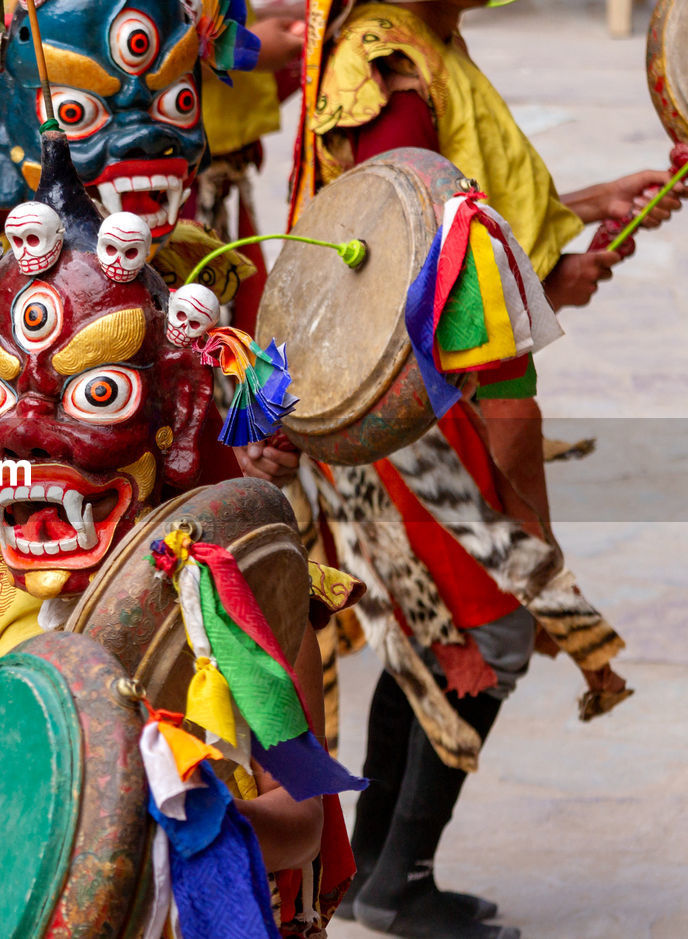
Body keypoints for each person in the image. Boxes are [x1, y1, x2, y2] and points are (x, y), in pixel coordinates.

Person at [266, 1, 685, 936]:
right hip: (412, 414)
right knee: (488, 636)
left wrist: (575, 214)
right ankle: (397, 881)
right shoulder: (391, 81)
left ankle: (376, 865)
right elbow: (419, 275)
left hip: (405, 398)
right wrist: (531, 522)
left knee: (433, 637)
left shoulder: (407, 44)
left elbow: (460, 212)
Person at [0, 126, 366, 936]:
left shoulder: (229, 590)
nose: (29, 438)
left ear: (175, 412)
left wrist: (193, 822)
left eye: (94, 394)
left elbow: (306, 823)